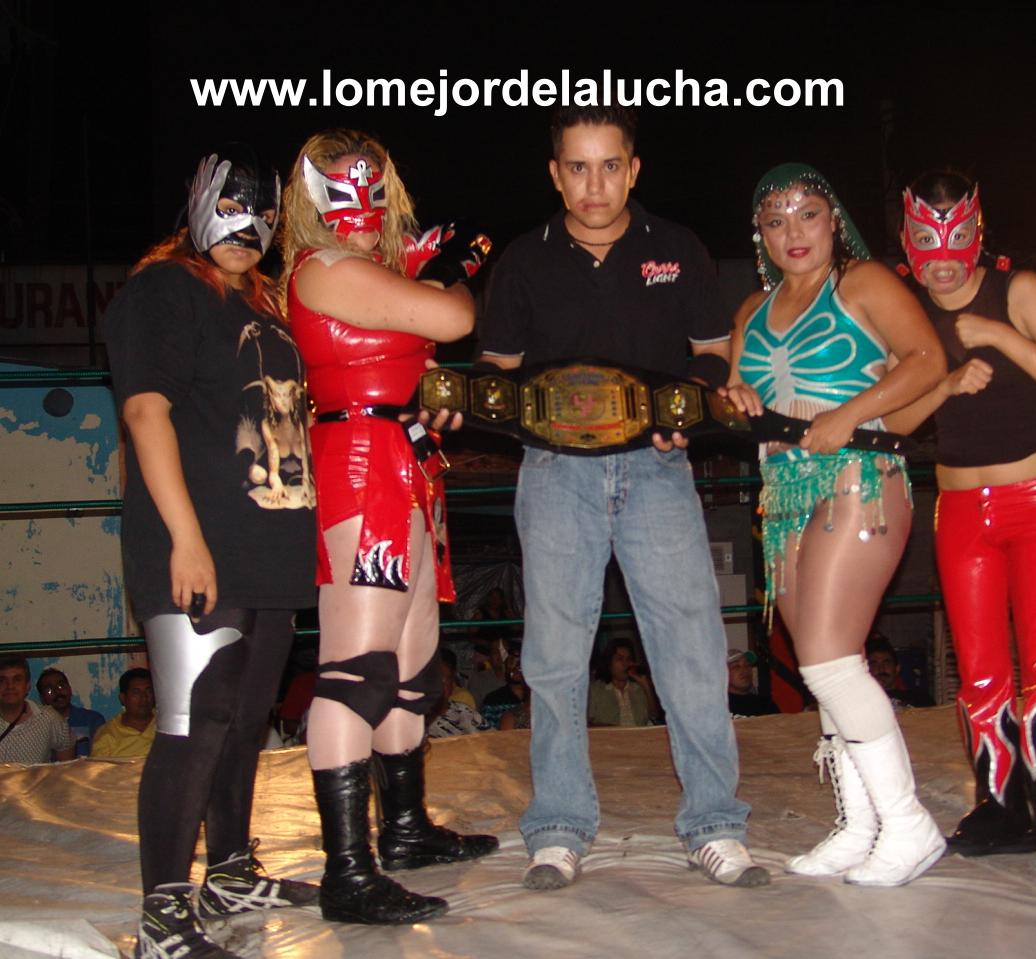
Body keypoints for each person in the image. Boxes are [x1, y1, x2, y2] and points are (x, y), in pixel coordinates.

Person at [477, 105, 766, 892]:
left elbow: (713, 352)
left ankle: (715, 823)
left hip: (657, 468)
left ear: (634, 170)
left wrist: (683, 407)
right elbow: (498, 369)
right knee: (554, 656)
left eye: (610, 165)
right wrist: (477, 398)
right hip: (555, 471)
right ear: (555, 174)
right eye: (577, 166)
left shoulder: (675, 247)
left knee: (692, 648)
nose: (594, 183)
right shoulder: (524, 260)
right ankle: (559, 826)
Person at [103, 147, 321, 958]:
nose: (249, 226)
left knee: (243, 719)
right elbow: (146, 413)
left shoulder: (265, 306)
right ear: (199, 202)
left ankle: (228, 870)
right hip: (199, 544)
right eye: (233, 206)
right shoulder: (163, 289)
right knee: (195, 722)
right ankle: (162, 918)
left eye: (264, 212)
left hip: (267, 546)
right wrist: (186, 540)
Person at [281, 128, 497, 926]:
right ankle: (347, 869)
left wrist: (426, 279)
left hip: (405, 457)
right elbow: (453, 315)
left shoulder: (374, 268)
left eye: (372, 185)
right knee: (358, 668)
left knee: (413, 666)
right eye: (342, 185)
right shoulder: (326, 268)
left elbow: (460, 266)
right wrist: (439, 276)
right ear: (310, 197)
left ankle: (403, 827)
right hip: (363, 461)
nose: (362, 203)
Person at [886, 171, 1036, 911]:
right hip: (959, 509)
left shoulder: (1020, 290)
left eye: (955, 238)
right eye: (927, 242)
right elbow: (895, 422)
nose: (943, 259)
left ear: (977, 231)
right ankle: (1006, 809)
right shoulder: (908, 309)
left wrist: (1001, 337)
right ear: (907, 242)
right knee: (980, 674)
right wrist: (945, 386)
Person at [726, 162, 947, 887]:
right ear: (759, 235)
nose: (793, 231)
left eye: (807, 213)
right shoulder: (749, 310)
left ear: (834, 220)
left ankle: (908, 823)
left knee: (825, 660)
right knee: (829, 663)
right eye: (775, 220)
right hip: (783, 491)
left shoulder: (864, 282)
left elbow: (927, 360)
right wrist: (731, 399)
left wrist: (849, 414)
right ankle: (859, 824)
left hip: (861, 475)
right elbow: (738, 397)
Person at [0, 655, 74, 764]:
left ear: (27, 686)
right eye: (2, 681)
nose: (10, 686)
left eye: (17, 680)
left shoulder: (49, 719)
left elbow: (68, 766)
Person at [36, 667, 105, 757]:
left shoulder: (93, 720)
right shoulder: (37, 726)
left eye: (61, 686)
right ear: (42, 698)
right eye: (49, 690)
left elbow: (101, 758)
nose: (57, 692)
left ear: (69, 689)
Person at [587, 639, 658, 727]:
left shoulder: (638, 688)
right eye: (620, 659)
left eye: (628, 659)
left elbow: (654, 717)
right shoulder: (596, 690)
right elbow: (585, 723)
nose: (625, 664)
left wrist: (646, 686)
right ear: (609, 663)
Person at [91, 668, 157, 758]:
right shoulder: (108, 733)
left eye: (149, 691)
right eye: (136, 693)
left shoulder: (167, 725)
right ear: (123, 698)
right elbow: (98, 766)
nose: (144, 698)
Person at [864, 634, 934, 709]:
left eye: (886, 663)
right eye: (874, 664)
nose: (881, 669)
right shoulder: (861, 702)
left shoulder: (921, 700)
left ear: (897, 668)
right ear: (866, 670)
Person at [726, 650, 779, 718]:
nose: (745, 669)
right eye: (736, 666)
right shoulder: (718, 705)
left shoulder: (766, 705)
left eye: (747, 665)